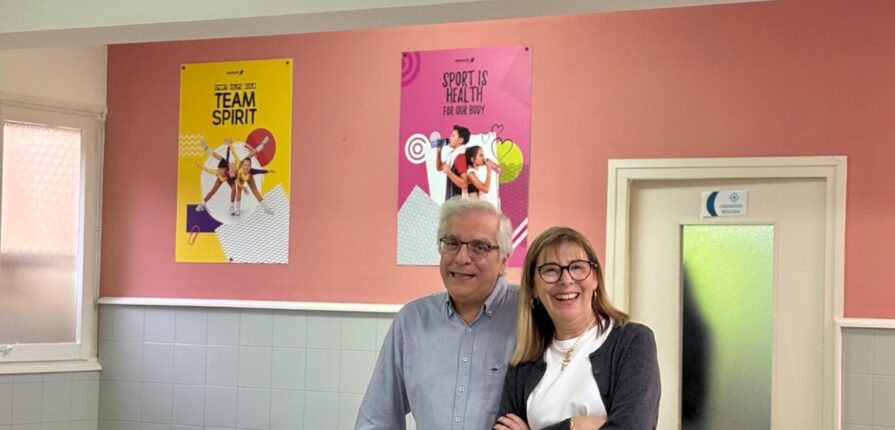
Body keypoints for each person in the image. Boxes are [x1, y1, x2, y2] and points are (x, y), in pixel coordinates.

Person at [356, 198, 518, 429]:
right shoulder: (411, 322)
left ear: (503, 260)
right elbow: (377, 419)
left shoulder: (531, 315)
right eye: (452, 243)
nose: (462, 258)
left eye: (479, 247)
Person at [495, 227, 660, 430]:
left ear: (595, 278)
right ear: (533, 287)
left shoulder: (633, 341)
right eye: (550, 270)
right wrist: (576, 425)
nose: (566, 280)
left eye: (577, 267)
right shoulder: (524, 362)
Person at [435, 125, 471, 200]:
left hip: (457, 203)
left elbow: (464, 184)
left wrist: (449, 172)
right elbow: (439, 167)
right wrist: (439, 152)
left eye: (453, 136)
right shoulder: (452, 155)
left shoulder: (460, 157)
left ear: (460, 140)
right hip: (452, 201)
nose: (450, 138)